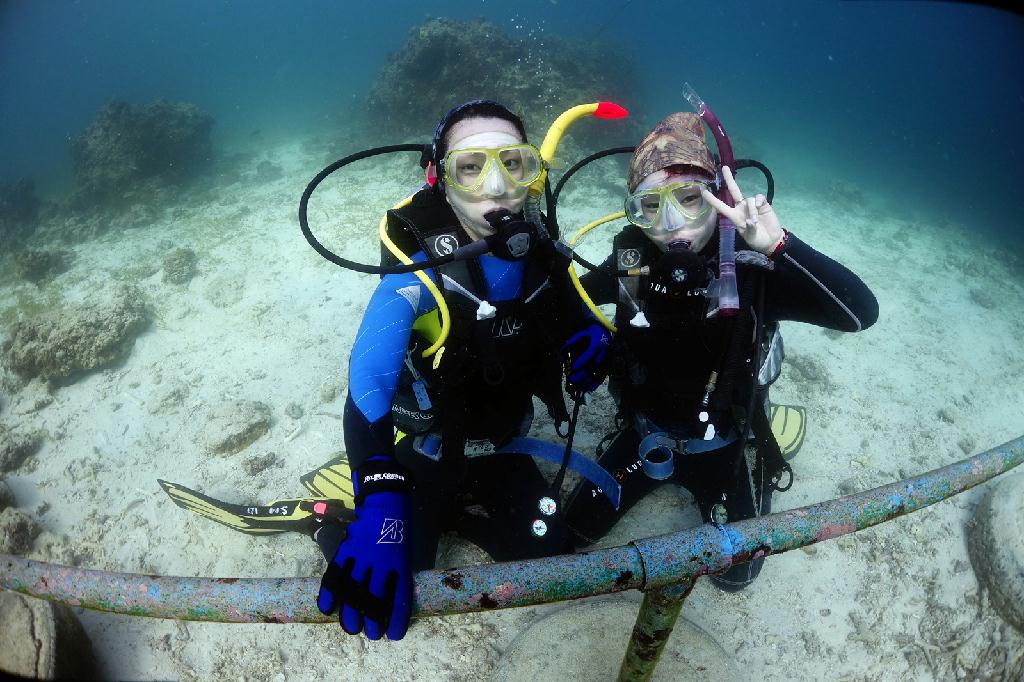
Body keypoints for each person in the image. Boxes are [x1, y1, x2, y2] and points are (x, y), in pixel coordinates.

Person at [315, 100, 610, 640]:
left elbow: (572, 312)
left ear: (534, 173)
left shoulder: (542, 249)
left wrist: (588, 336)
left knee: (548, 552)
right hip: (426, 447)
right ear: (439, 179)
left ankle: (460, 516)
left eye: (513, 163)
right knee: (402, 573)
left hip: (505, 445)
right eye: (470, 167)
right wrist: (379, 493)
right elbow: (368, 385)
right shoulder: (417, 278)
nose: (496, 188)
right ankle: (330, 522)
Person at [564, 111, 879, 591]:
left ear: (720, 198)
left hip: (725, 443)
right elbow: (563, 301)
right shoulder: (632, 264)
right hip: (645, 437)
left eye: (691, 200)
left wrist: (778, 246)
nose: (672, 226)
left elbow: (859, 313)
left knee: (738, 575)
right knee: (574, 530)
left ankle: (761, 448)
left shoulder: (754, 272)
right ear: (634, 211)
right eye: (650, 206)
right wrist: (585, 329)